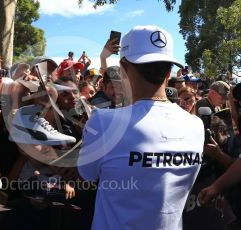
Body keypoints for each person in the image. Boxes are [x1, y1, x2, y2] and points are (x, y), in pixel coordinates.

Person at [78, 25, 205, 230]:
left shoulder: (103, 122)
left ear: (124, 68)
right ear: (169, 71)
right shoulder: (196, 125)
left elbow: (87, 174)